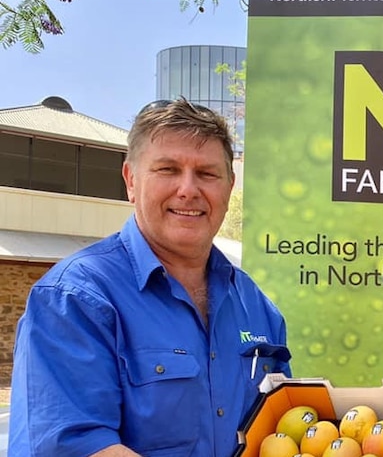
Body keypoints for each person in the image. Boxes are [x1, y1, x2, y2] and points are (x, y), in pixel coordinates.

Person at [10, 98, 291, 456]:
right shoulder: (75, 297)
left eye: (207, 173)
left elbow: (282, 430)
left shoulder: (256, 306)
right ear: (130, 180)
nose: (188, 189)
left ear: (229, 185)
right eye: (168, 170)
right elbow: (73, 445)